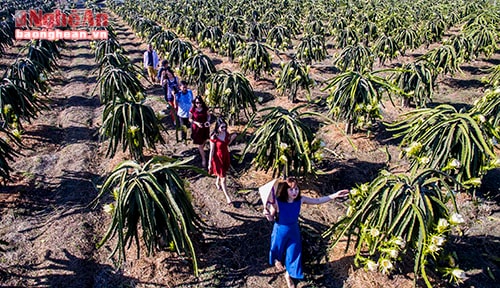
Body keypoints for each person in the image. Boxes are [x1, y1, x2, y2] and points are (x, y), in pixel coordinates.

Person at [265, 178, 349, 288]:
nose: (294, 192)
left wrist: (335, 195)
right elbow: (271, 218)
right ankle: (278, 261)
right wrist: (267, 214)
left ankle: (288, 275)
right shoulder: (277, 202)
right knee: (277, 249)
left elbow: (318, 201)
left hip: (294, 230)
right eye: (291, 189)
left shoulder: (300, 200)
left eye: (296, 189)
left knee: (294, 252)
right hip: (280, 230)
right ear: (285, 190)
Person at [208, 117, 237, 204]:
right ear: (217, 127)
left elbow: (226, 144)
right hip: (218, 159)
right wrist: (209, 163)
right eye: (222, 127)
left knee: (222, 173)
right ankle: (228, 197)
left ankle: (217, 182)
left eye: (225, 127)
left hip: (225, 156)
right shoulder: (214, 137)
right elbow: (212, 150)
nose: (224, 129)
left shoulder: (226, 134)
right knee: (223, 178)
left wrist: (232, 138)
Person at [189, 96, 210, 167]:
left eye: (200, 102)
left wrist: (208, 121)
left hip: (204, 127)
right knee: (200, 145)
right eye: (197, 103)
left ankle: (203, 153)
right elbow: (190, 119)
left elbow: (209, 116)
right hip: (197, 129)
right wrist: (196, 123)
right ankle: (204, 159)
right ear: (195, 103)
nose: (198, 104)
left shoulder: (205, 109)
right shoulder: (193, 110)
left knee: (204, 141)